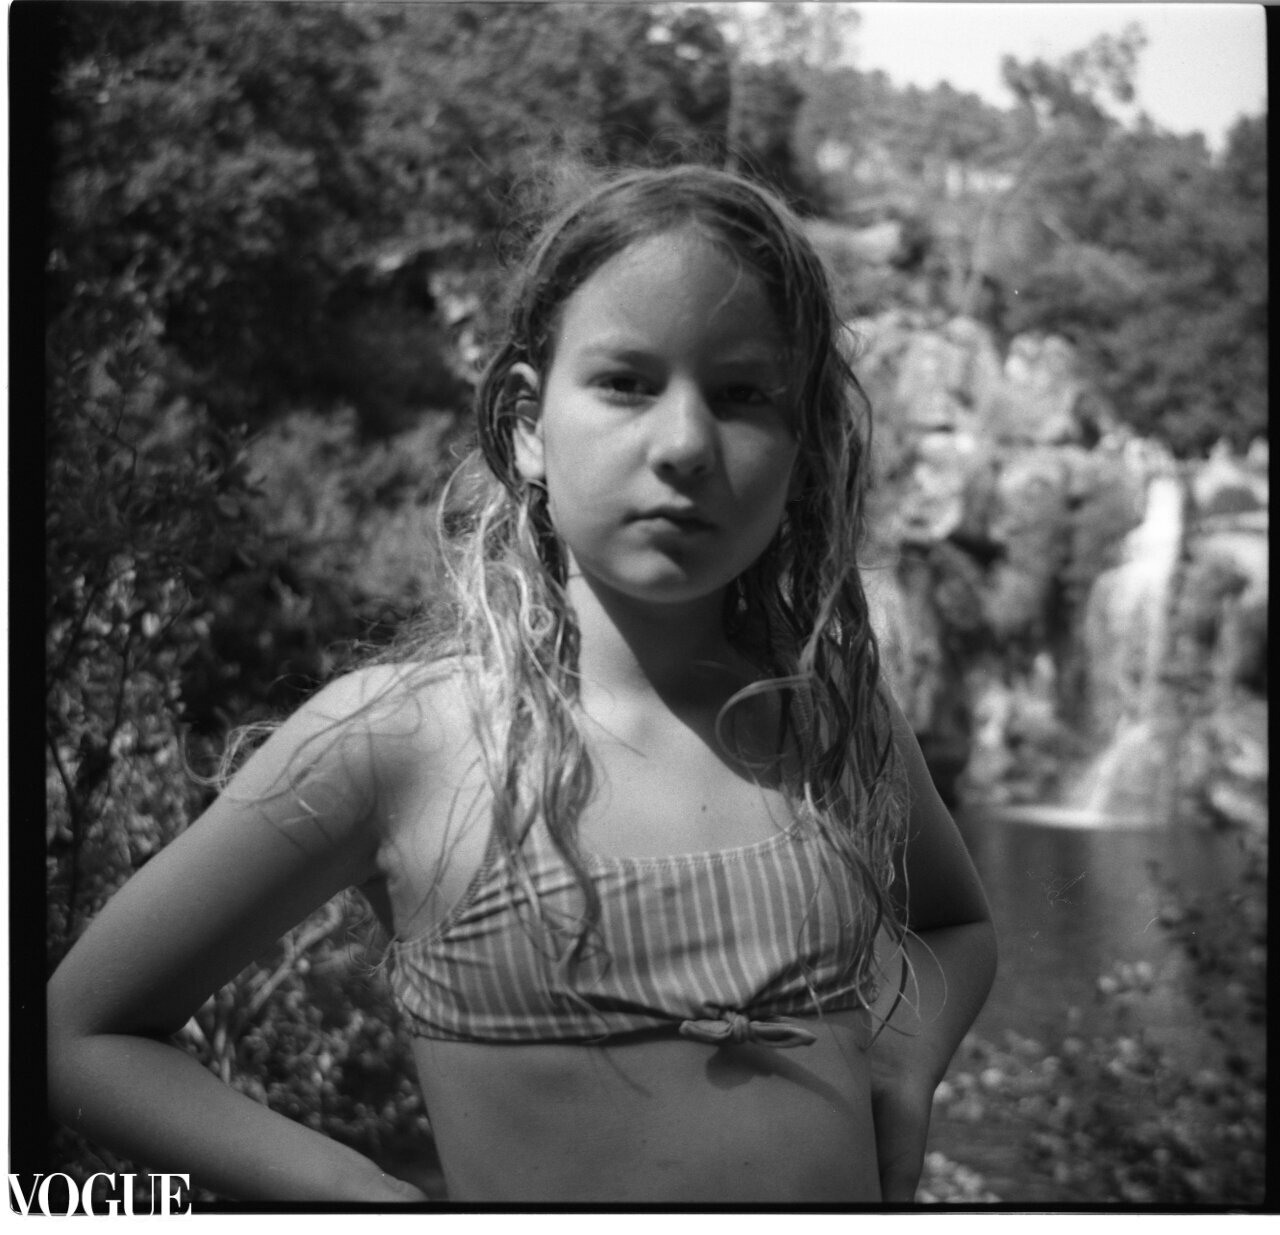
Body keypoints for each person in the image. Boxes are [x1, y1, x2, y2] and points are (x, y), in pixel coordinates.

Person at [47, 164, 996, 1205]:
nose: (684, 443)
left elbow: (952, 922)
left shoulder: (825, 709)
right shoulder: (400, 742)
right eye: (626, 382)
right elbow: (76, 1030)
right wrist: (365, 1197)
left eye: (742, 395)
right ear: (528, 424)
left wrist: (904, 1058)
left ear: (801, 447)